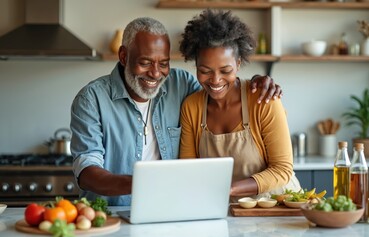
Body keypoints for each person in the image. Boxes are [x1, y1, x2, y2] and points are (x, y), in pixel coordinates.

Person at [71, 16, 283, 206]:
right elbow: (86, 170)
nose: (155, 74)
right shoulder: (92, 99)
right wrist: (142, 183)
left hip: (168, 211)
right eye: (145, 63)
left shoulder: (181, 84)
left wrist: (255, 82)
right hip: (110, 213)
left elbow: (219, 88)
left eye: (163, 63)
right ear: (124, 56)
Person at [179, 9, 300, 201]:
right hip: (225, 209)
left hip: (277, 208)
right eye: (205, 71)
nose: (216, 80)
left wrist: (230, 189)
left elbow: (282, 169)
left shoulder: (263, 99)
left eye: (225, 70)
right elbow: (189, 170)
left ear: (238, 63)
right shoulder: (192, 107)